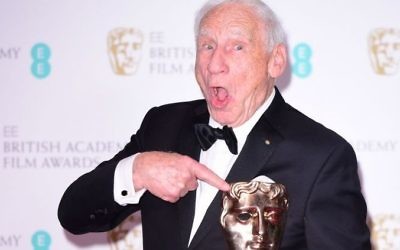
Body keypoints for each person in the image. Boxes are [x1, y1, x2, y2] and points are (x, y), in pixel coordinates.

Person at [58, 0, 371, 249]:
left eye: (237, 47)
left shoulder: (321, 157)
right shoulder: (163, 125)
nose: (214, 64)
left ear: (275, 61)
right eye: (207, 46)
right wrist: (138, 169)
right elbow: (73, 214)